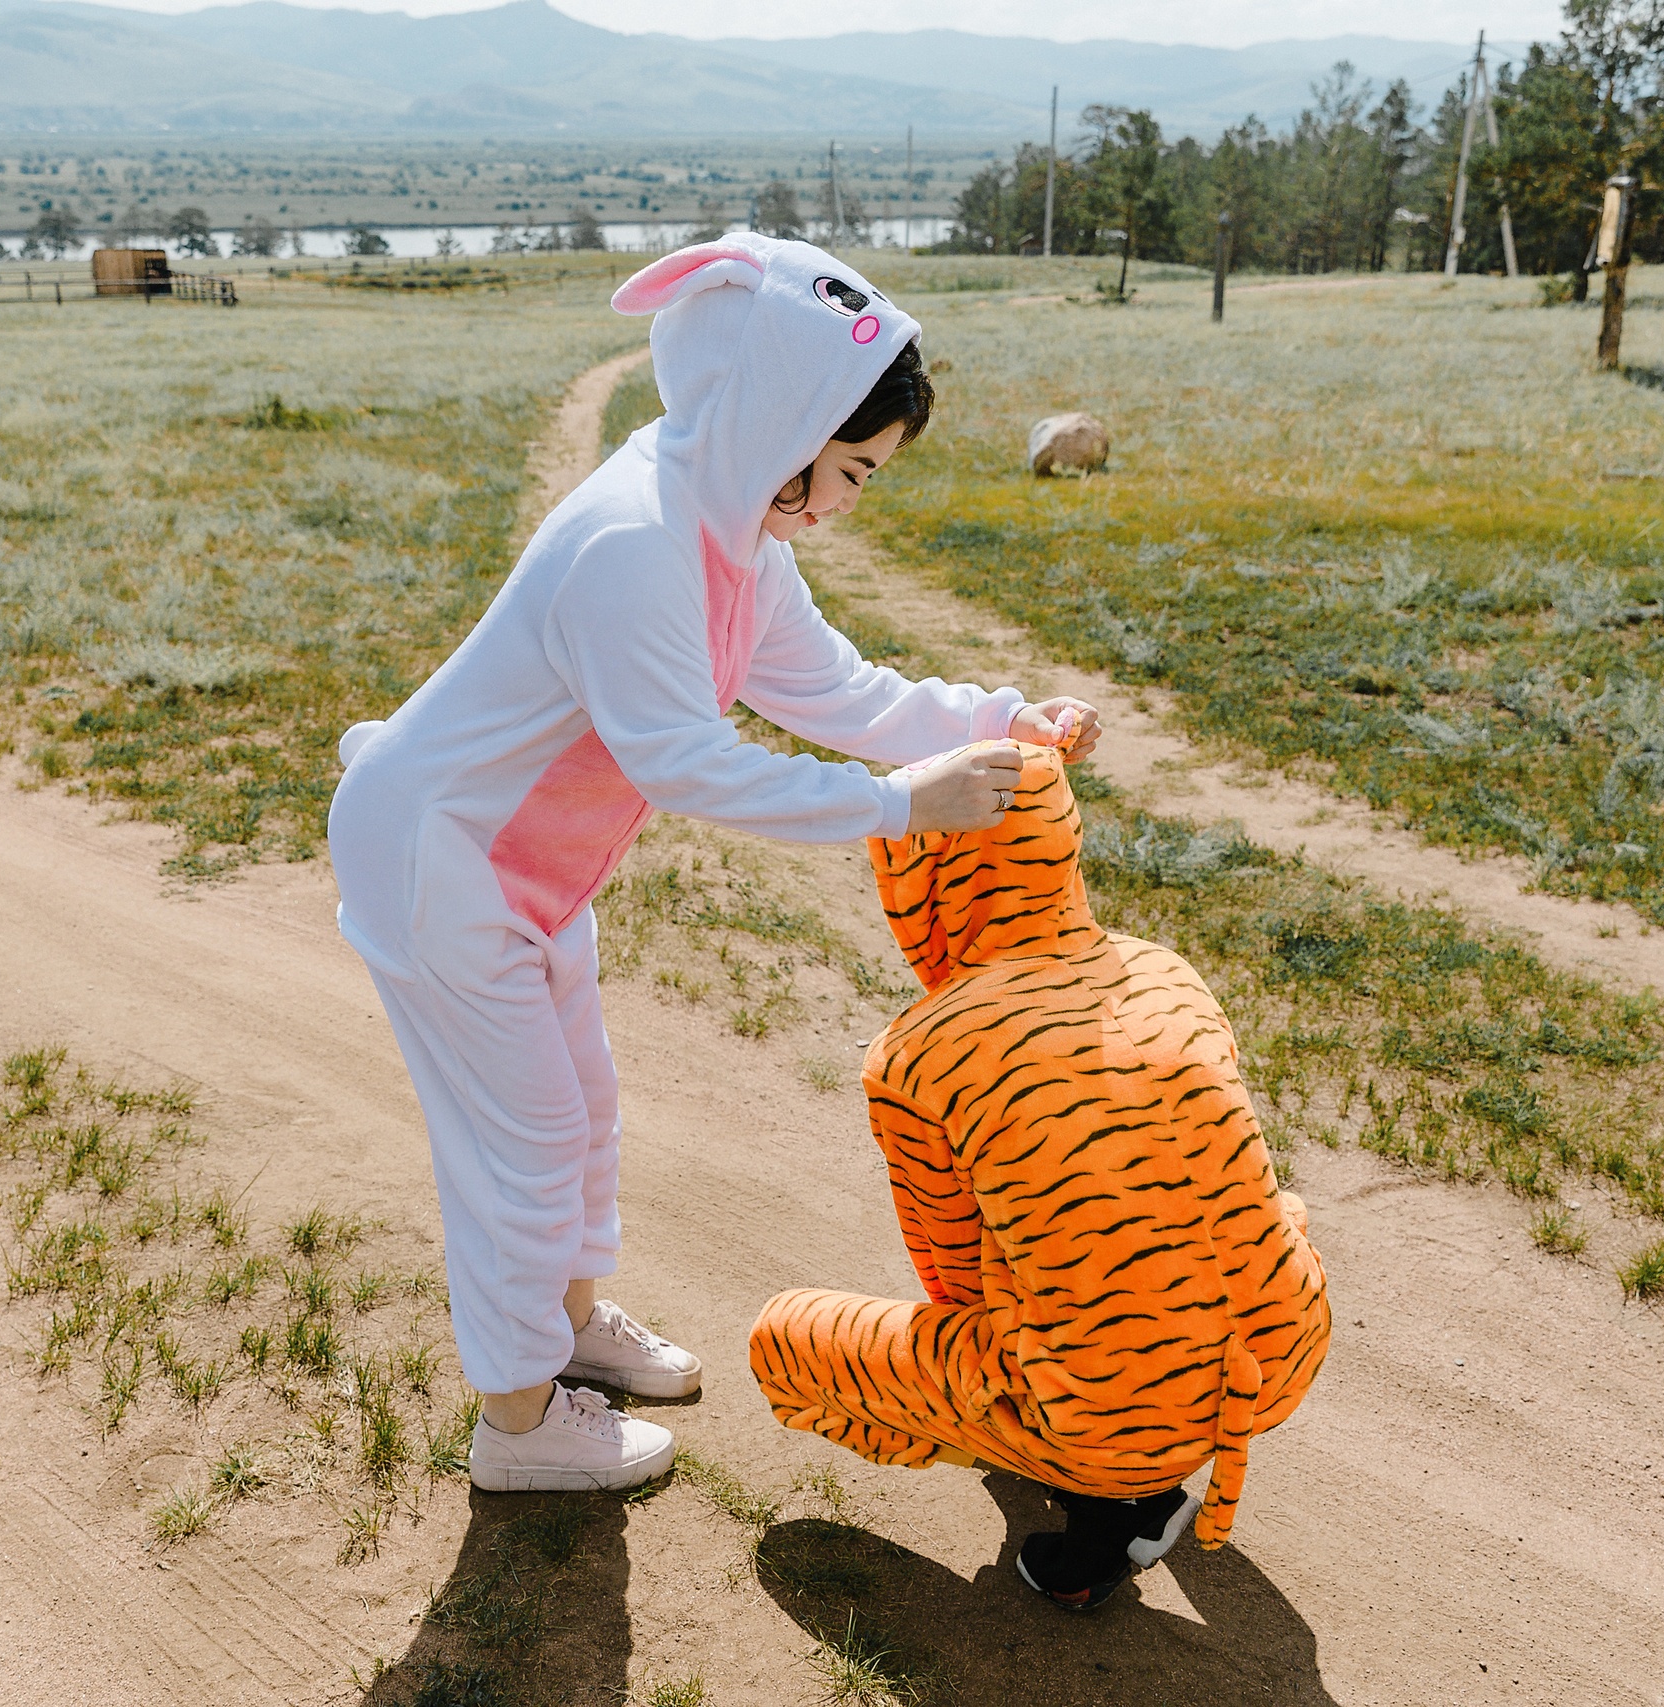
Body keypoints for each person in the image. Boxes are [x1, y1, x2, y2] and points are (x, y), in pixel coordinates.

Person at [327, 233, 1103, 1492]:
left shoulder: (734, 536)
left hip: (522, 869)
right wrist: (898, 806)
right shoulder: (633, 541)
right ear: (779, 419)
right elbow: (685, 763)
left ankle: (566, 1329)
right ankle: (518, 1426)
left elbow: (840, 691)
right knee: (521, 1144)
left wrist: (997, 719)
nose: (847, 502)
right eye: (850, 468)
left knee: (580, 1111)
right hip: (439, 863)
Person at [749, 740, 1330, 1609]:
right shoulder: (1168, 973)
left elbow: (951, 1275)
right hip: (1278, 1349)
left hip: (1110, 1411)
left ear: (921, 876)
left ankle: (1109, 1498)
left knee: (783, 1342)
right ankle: (1144, 1452)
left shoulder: (921, 1051)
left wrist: (1048, 1394)